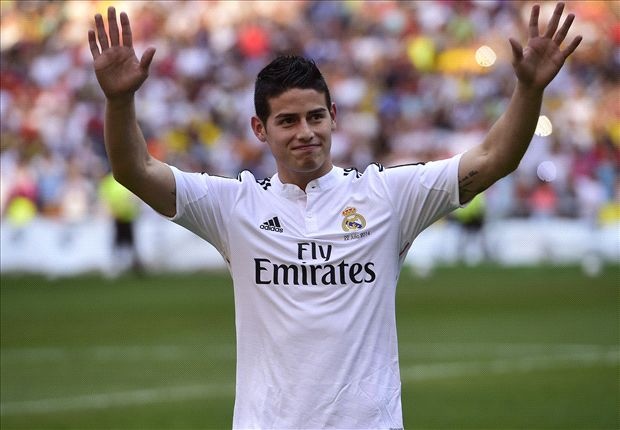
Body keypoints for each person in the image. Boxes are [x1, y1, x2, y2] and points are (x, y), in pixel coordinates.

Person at [88, 3, 581, 428]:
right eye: (287, 121)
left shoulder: (387, 196)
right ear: (260, 129)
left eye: (315, 116)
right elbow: (135, 170)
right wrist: (119, 100)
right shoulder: (234, 206)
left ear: (334, 116)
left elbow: (493, 158)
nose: (305, 132)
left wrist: (529, 90)